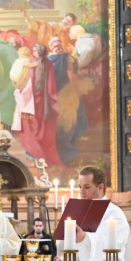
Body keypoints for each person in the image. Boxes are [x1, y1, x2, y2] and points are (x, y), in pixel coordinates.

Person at [48, 36, 89, 165]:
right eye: (56, 45)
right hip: (66, 92)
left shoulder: (48, 59)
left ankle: (66, 146)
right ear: (52, 47)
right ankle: (68, 148)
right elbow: (71, 75)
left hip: (54, 93)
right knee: (70, 119)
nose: (58, 47)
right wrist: (77, 89)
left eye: (58, 45)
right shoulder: (65, 57)